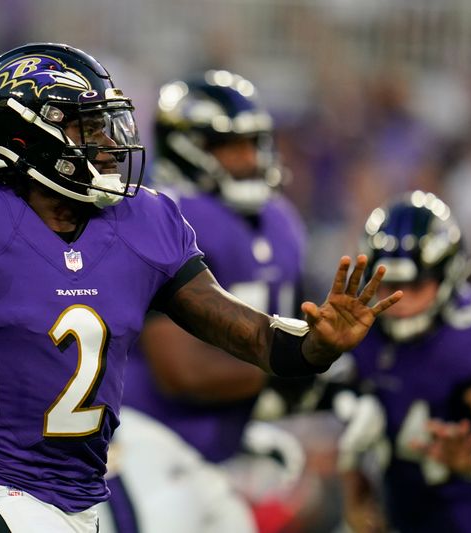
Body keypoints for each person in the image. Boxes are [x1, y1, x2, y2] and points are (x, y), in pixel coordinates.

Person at [0, 42, 401, 533]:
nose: (110, 142)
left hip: (88, 503)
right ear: (23, 134)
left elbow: (259, 339)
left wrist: (319, 342)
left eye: (108, 123)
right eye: (85, 127)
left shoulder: (147, 220)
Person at [99, 70, 308, 533]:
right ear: (187, 148)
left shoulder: (282, 223)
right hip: (146, 440)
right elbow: (183, 372)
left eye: (254, 144)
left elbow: (302, 332)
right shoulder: (163, 217)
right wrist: (292, 378)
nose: (248, 159)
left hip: (217, 455)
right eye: (230, 146)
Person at [331, 191, 471, 533]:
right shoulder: (363, 332)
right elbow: (355, 429)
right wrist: (356, 498)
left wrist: (470, 463)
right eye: (390, 286)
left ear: (447, 275)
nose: (401, 300)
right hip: (402, 513)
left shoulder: (465, 336)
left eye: (416, 285)